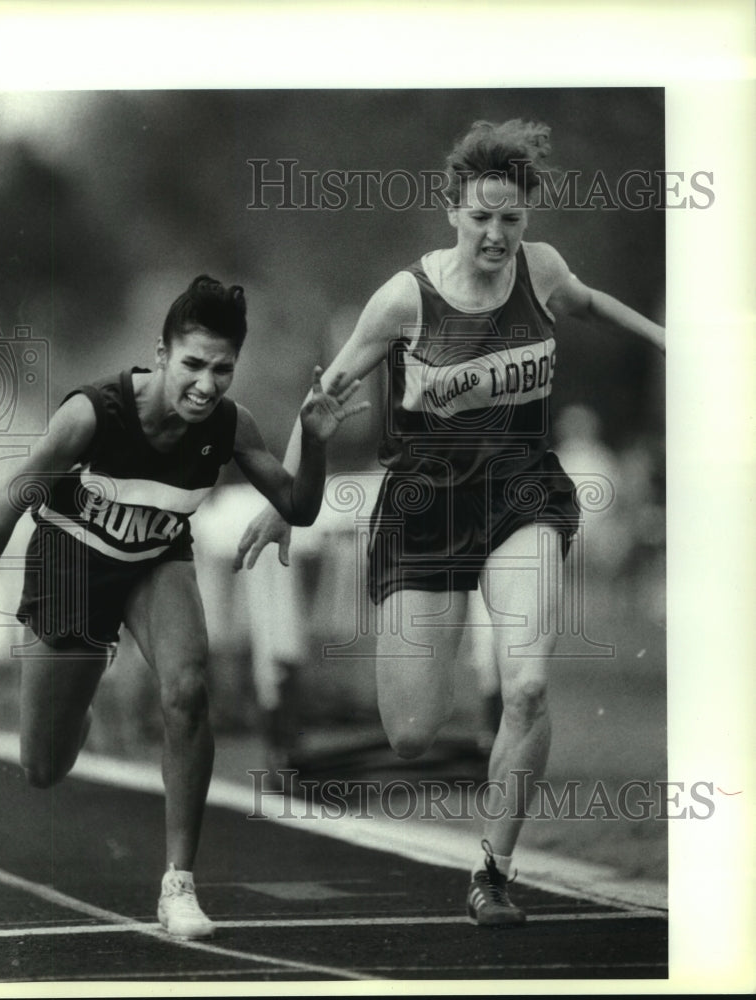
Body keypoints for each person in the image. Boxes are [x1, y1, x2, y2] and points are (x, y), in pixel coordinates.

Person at [233, 119, 666, 927]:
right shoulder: (405, 298)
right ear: (451, 213)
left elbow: (590, 302)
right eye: (481, 218)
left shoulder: (540, 270)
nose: (497, 234)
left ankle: (492, 874)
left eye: (511, 218)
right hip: (425, 507)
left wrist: (670, 341)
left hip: (520, 493)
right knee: (409, 733)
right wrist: (284, 502)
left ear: (526, 218)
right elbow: (319, 402)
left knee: (528, 685)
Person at [0, 275, 368, 939]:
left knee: (189, 690)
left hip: (155, 565)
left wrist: (316, 436)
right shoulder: (90, 415)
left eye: (221, 369)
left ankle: (178, 884)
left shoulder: (229, 424)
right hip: (72, 567)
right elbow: (7, 504)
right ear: (161, 356)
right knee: (44, 767)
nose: (205, 385)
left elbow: (296, 507)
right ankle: (83, 680)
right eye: (192, 365)